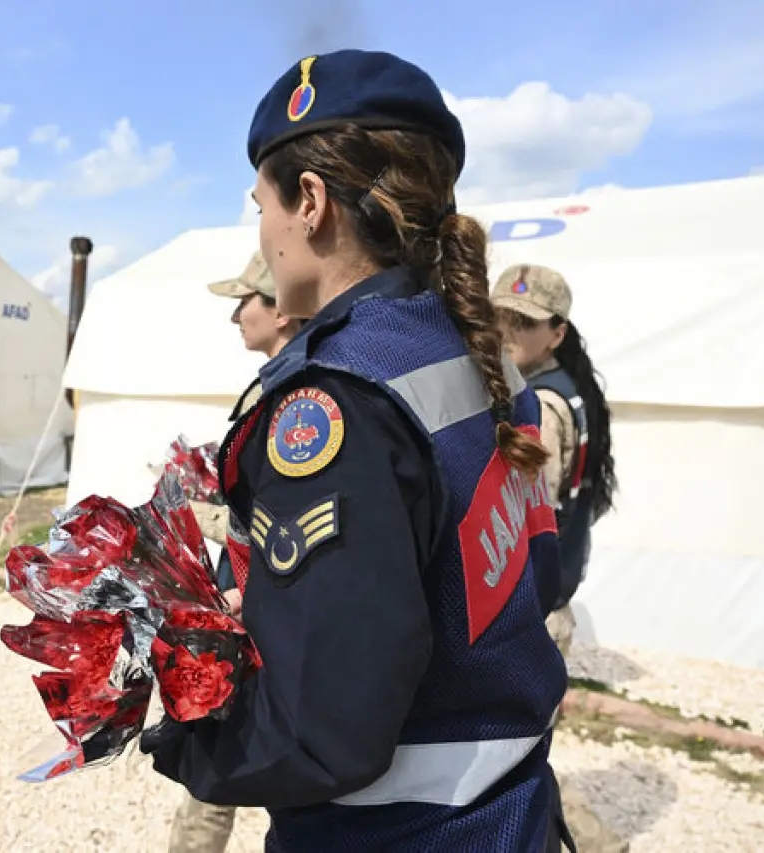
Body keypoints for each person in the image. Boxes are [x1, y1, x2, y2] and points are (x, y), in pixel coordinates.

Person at [140, 49, 574, 851]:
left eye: (260, 206)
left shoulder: (334, 401)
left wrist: (176, 736)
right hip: (507, 812)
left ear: (309, 201)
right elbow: (520, 573)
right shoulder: (483, 357)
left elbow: (322, 732)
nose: (263, 234)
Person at [494, 264, 626, 853]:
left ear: (557, 331)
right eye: (500, 315)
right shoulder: (576, 394)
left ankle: (596, 844)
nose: (508, 329)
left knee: (510, 764)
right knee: (520, 758)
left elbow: (527, 517)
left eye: (525, 321)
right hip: (554, 604)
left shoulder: (540, 405)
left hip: (531, 611)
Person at [172, 250, 302, 853]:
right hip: (250, 604)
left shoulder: (299, 398)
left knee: (219, 771)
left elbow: (287, 529)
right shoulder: (276, 383)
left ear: (280, 311)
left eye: (243, 302)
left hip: (258, 615)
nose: (235, 318)